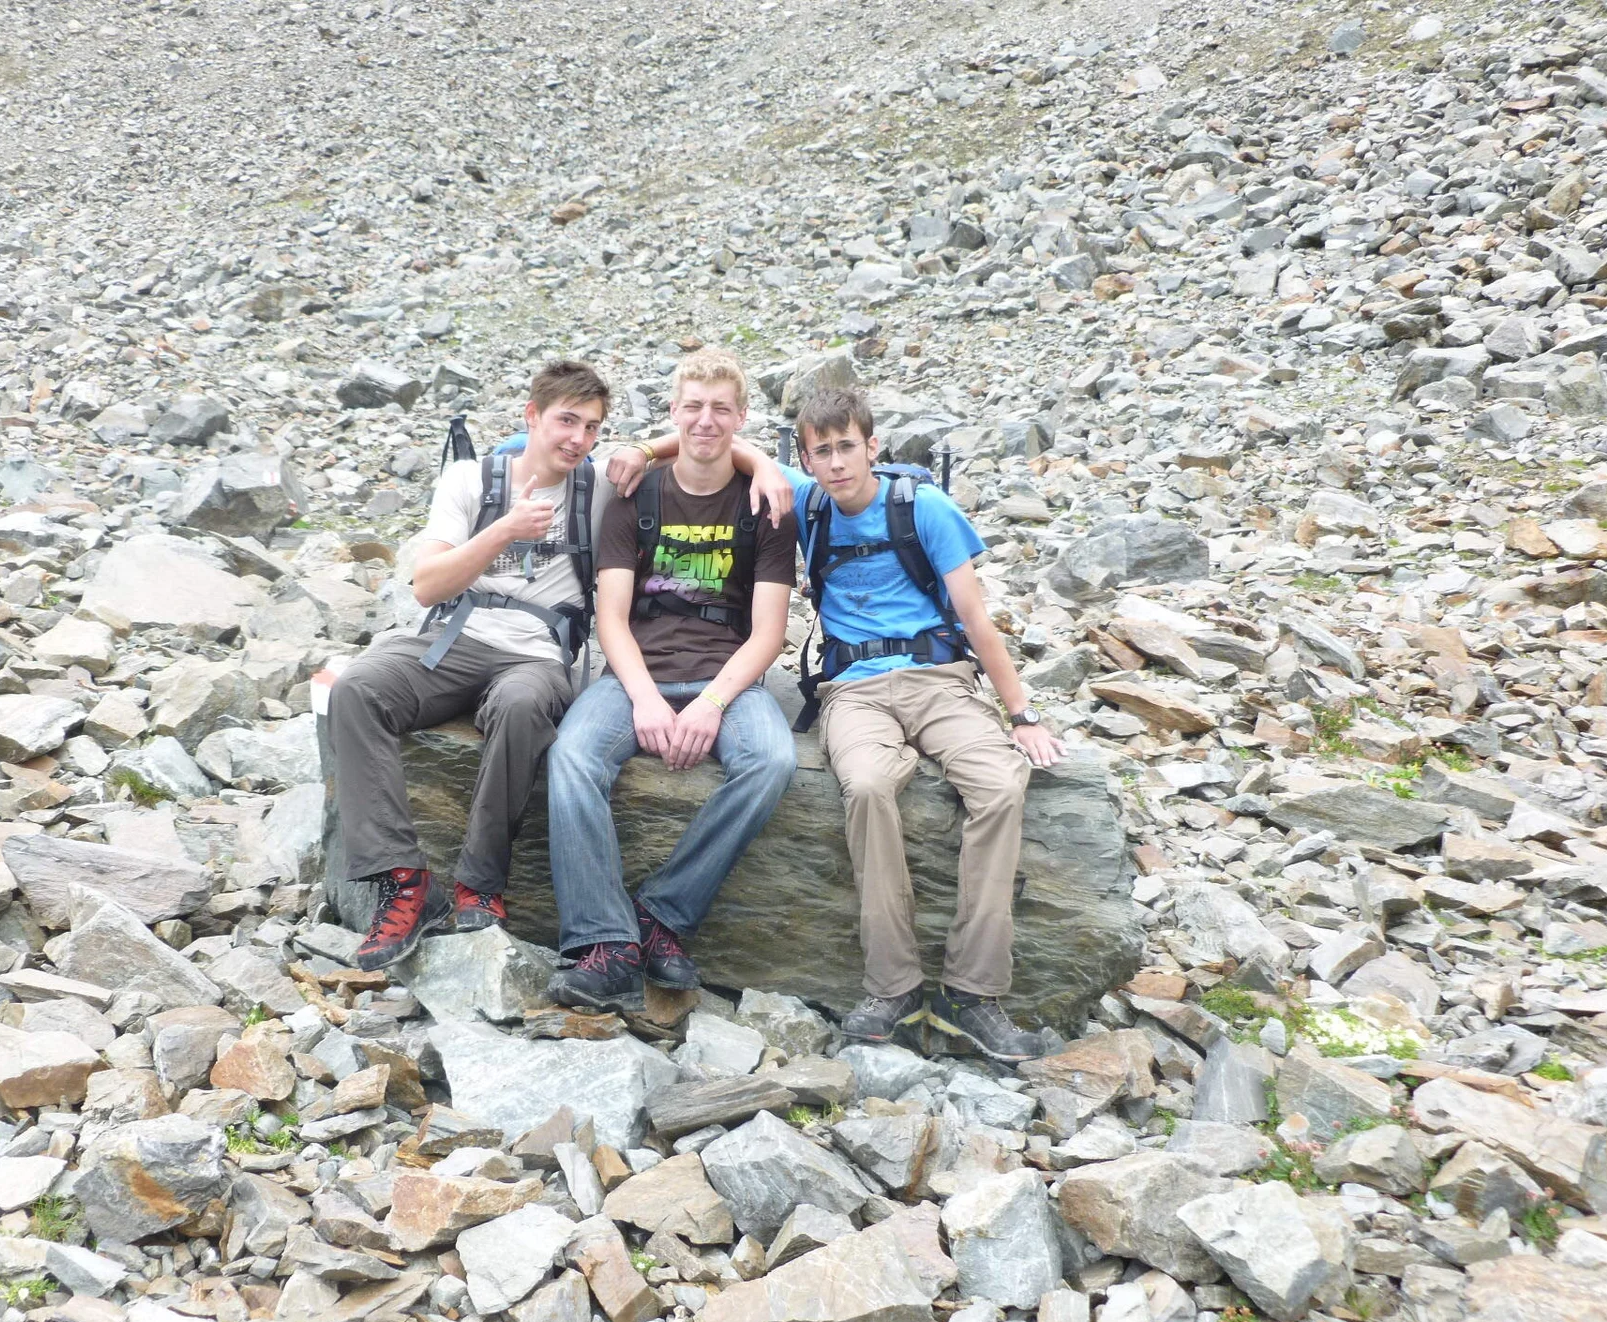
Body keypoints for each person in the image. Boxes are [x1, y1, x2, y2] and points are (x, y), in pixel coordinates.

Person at [790, 387, 1066, 1062]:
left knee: (1000, 784)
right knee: (866, 786)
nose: (836, 463)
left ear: (872, 447)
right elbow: (721, 444)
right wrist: (645, 450)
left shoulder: (924, 507)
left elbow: (975, 618)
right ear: (805, 459)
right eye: (821, 452)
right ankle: (894, 987)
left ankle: (973, 993)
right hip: (853, 690)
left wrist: (1022, 715)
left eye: (847, 447)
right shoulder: (806, 503)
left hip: (939, 679)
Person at [328, 360, 614, 969]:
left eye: (592, 428)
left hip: (537, 651)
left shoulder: (600, 489)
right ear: (531, 416)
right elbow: (427, 586)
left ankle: (479, 884)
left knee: (521, 705)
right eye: (567, 421)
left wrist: (648, 449)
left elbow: (698, 446)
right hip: (454, 637)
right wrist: (504, 530)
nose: (578, 439)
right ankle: (404, 882)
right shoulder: (470, 479)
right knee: (357, 689)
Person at [545, 348, 799, 1011]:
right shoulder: (635, 495)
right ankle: (605, 943)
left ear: (742, 416)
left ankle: (662, 914)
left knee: (770, 761)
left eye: (720, 409)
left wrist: (712, 703)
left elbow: (768, 633)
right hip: (639, 671)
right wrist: (646, 700)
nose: (705, 421)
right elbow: (611, 618)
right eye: (693, 407)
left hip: (727, 676)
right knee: (572, 757)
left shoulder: (767, 504)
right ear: (673, 412)